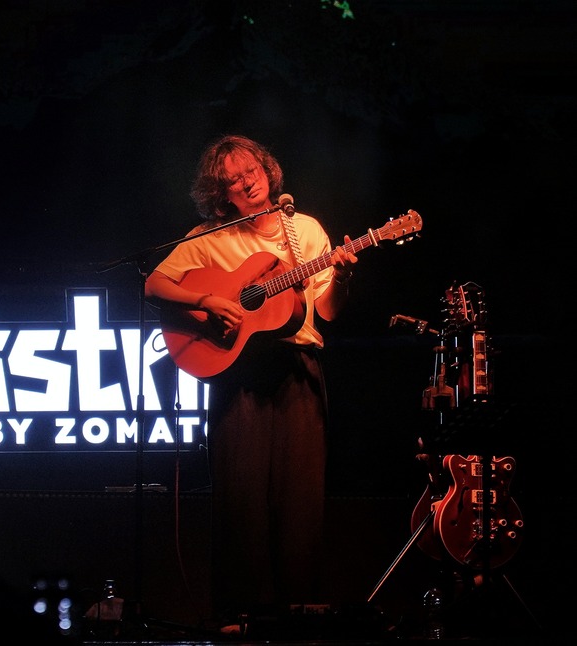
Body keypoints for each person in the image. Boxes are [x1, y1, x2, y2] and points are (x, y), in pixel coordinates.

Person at [144, 134, 358, 630]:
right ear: (223, 196)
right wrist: (205, 303)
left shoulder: (303, 230)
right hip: (237, 372)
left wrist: (342, 277)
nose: (247, 182)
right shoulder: (210, 236)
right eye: (233, 181)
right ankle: (241, 617)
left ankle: (297, 618)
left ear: (267, 170)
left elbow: (325, 310)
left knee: (300, 502)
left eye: (252, 171)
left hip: (296, 371)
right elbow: (154, 283)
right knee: (241, 501)